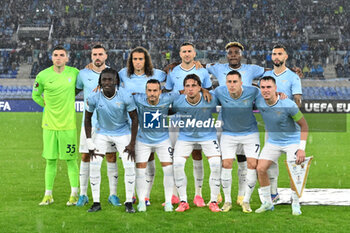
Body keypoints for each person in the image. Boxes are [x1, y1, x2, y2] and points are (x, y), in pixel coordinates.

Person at [118, 46, 170, 206]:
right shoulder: (122, 74)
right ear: (131, 61)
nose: (138, 62)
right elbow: (109, 83)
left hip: (150, 123)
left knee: (149, 159)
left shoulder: (158, 74)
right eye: (135, 59)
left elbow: (173, 77)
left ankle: (146, 196)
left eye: (141, 59)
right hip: (128, 122)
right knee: (131, 160)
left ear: (146, 60)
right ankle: (132, 194)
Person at [165, 42, 212, 208]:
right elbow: (169, 92)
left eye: (189, 51)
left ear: (194, 53)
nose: (186, 54)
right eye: (183, 51)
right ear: (180, 53)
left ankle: (198, 194)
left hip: (197, 120)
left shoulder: (202, 70)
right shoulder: (173, 71)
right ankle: (174, 194)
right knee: (174, 157)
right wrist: (176, 93)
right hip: (177, 120)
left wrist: (205, 91)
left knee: (197, 155)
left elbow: (207, 91)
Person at [84, 68, 138, 213]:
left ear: (116, 81)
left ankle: (128, 202)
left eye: (110, 80)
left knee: (129, 165)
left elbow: (134, 118)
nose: (107, 82)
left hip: (122, 133)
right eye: (104, 80)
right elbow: (87, 118)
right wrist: (89, 141)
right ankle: (96, 202)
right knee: (94, 165)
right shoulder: (94, 96)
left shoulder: (125, 95)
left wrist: (132, 143)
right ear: (100, 82)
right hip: (102, 133)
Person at [32, 45, 80, 206]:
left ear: (67, 58)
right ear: (52, 58)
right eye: (55, 55)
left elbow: (86, 81)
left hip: (68, 126)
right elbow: (35, 94)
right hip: (49, 125)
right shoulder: (43, 75)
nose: (58, 57)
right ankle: (48, 195)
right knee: (50, 160)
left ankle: (74, 193)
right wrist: (45, 104)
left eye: (61, 55)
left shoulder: (74, 73)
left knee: (71, 160)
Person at [255, 76, 308, 216]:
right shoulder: (259, 100)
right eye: (263, 87)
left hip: (292, 141)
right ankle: (267, 203)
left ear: (275, 88)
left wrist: (301, 148)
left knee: (294, 171)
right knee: (260, 168)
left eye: (269, 87)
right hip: (273, 142)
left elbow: (304, 126)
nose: (265, 90)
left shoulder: (288, 104)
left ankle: (295, 203)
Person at [75, 44, 121, 207]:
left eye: (100, 54)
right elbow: (74, 91)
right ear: (91, 56)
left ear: (106, 56)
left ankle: (113, 194)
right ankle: (83, 194)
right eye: (94, 54)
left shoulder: (113, 74)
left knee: (111, 156)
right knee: (85, 156)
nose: (97, 57)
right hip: (89, 124)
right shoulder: (82, 74)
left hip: (109, 124)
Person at [172, 74, 221, 212]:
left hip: (208, 136)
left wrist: (207, 91)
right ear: (184, 89)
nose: (190, 89)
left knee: (216, 165)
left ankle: (213, 201)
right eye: (187, 86)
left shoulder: (210, 99)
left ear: (200, 87)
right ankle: (183, 201)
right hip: (185, 137)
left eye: (194, 85)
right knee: (178, 165)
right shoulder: (178, 102)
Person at [213, 70, 260, 212]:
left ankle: (246, 200)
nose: (232, 85)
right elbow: (208, 100)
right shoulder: (219, 91)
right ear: (225, 83)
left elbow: (266, 96)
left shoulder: (253, 91)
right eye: (229, 82)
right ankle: (227, 201)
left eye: (235, 82)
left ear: (241, 83)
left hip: (250, 133)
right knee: (226, 164)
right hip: (229, 134)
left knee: (252, 165)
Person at [263, 44, 303, 202]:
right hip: (271, 126)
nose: (276, 56)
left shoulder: (293, 77)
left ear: (286, 57)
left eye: (280, 54)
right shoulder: (266, 76)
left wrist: (289, 105)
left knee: (294, 162)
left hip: (289, 126)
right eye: (274, 54)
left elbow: (298, 100)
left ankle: (295, 196)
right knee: (270, 161)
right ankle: (273, 193)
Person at [133, 79, 178, 212]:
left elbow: (182, 92)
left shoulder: (167, 98)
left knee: (168, 171)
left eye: (155, 91)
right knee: (140, 171)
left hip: (163, 141)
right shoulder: (138, 98)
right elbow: (122, 94)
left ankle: (168, 202)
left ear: (160, 91)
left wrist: (204, 90)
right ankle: (142, 201)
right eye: (149, 90)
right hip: (143, 140)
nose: (152, 94)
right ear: (145, 91)